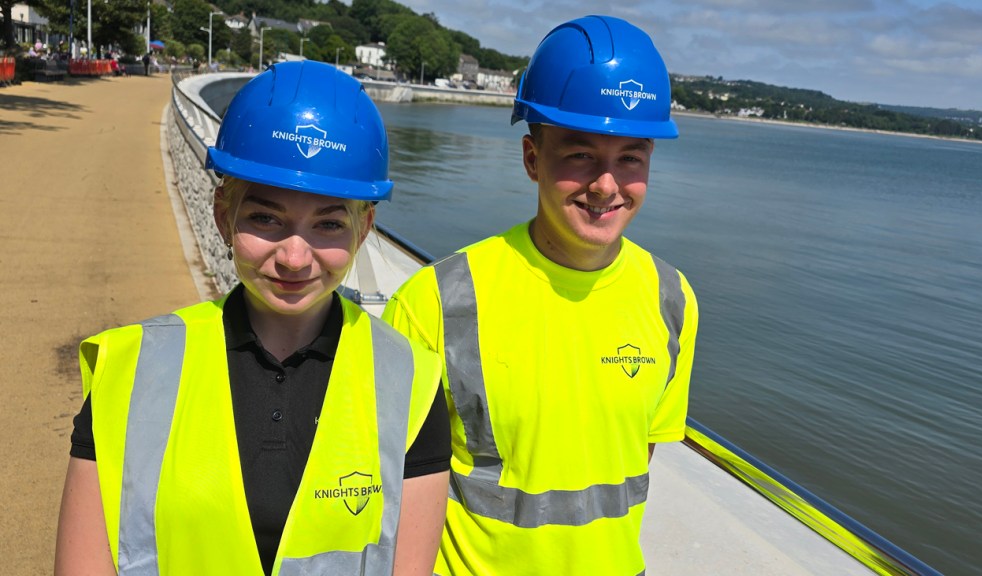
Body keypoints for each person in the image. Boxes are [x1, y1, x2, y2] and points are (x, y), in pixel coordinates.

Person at [54, 61, 451, 576]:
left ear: (364, 227)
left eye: (328, 224)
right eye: (266, 218)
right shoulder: (129, 367)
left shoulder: (411, 382)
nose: (294, 256)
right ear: (224, 214)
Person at [382, 15, 699, 575]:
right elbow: (392, 492)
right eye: (580, 155)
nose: (606, 185)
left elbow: (632, 458)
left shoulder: (671, 299)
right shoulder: (437, 300)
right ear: (532, 158)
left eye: (630, 157)